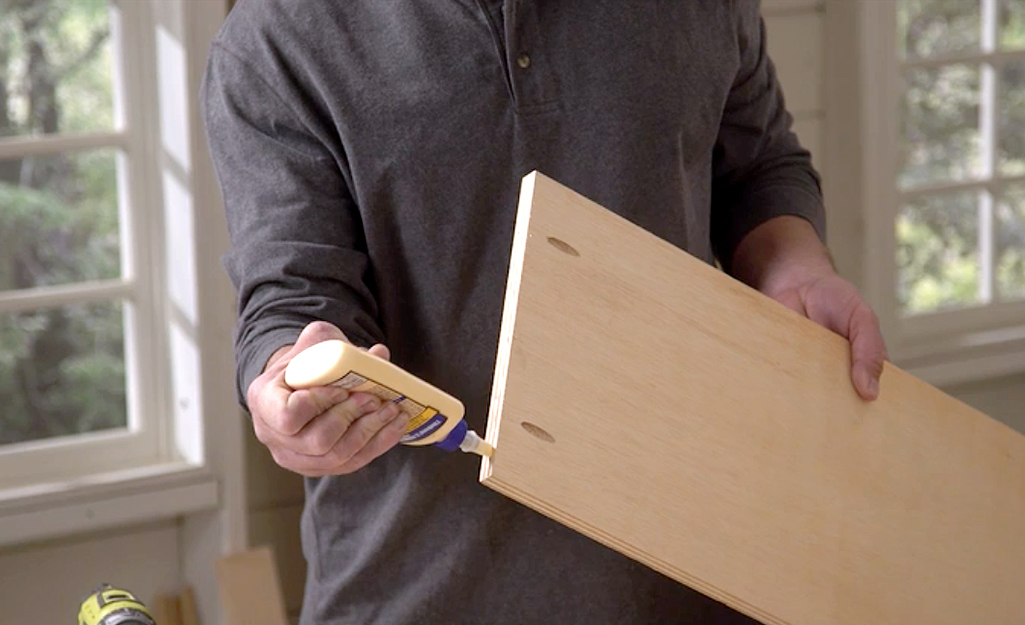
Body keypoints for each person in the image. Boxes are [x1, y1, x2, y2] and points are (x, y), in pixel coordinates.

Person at [201, 1, 888, 623]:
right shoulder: (275, 40)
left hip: (696, 576)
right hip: (414, 590)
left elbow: (758, 166)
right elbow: (292, 293)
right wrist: (287, 385)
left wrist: (795, 267)